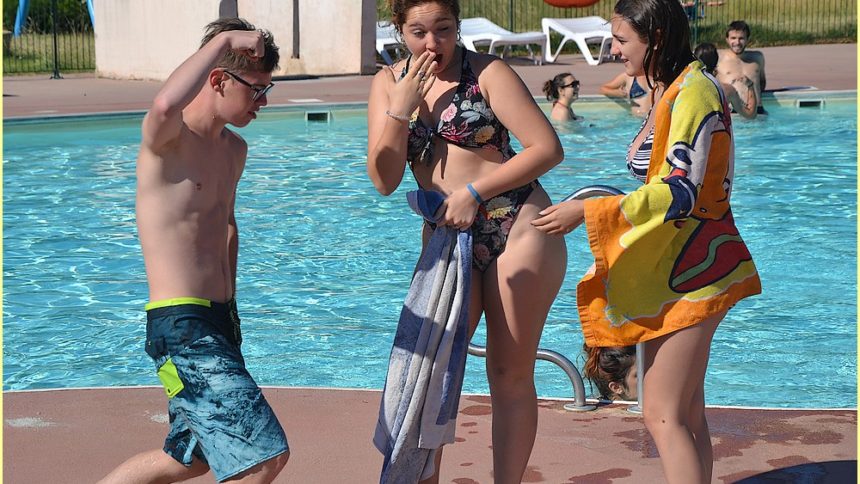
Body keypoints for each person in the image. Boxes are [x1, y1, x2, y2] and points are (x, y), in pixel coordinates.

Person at [532, 1, 761, 483]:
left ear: (654, 37)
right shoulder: (671, 88)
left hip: (695, 271)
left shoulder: (692, 92)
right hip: (682, 269)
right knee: (685, 413)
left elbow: (681, 191)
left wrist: (588, 211)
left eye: (621, 40)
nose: (613, 50)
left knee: (662, 413)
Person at [366, 0, 567, 482]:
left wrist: (475, 192)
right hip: (446, 236)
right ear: (399, 29)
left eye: (443, 29)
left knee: (508, 373)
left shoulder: (488, 72)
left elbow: (547, 148)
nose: (432, 43)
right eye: (418, 32)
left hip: (515, 223)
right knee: (426, 375)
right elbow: (384, 180)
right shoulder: (388, 83)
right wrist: (400, 110)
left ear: (457, 27)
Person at [98, 18, 289, 484]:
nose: (263, 102)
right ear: (219, 79)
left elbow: (226, 228)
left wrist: (232, 310)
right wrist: (225, 40)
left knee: (188, 458)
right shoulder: (169, 140)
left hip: (218, 322)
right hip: (181, 327)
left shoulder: (234, 150)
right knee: (263, 456)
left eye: (267, 89)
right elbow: (165, 101)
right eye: (257, 89)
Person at [695, 42, 759, 119]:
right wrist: (750, 86)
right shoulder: (728, 90)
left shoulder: (684, 86)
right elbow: (751, 114)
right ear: (716, 62)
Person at [717, 20, 767, 115]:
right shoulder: (719, 59)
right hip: (732, 113)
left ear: (747, 39)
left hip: (758, 112)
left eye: (741, 38)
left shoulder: (757, 58)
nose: (737, 42)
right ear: (727, 39)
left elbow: (762, 82)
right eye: (733, 38)